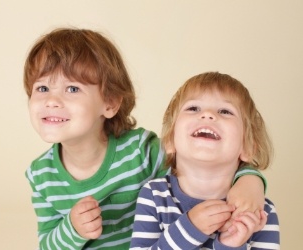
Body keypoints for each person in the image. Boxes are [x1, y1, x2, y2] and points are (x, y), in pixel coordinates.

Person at [24, 28, 268, 249]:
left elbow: (199, 162)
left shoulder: (140, 150)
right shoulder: (40, 175)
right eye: (42, 88)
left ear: (110, 103)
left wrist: (250, 181)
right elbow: (47, 244)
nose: (52, 101)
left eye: (72, 89)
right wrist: (72, 230)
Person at [129, 72, 280, 249]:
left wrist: (229, 245)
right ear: (170, 140)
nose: (208, 114)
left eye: (225, 111)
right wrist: (189, 229)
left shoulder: (260, 211)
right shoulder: (154, 196)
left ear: (247, 147)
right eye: (193, 108)